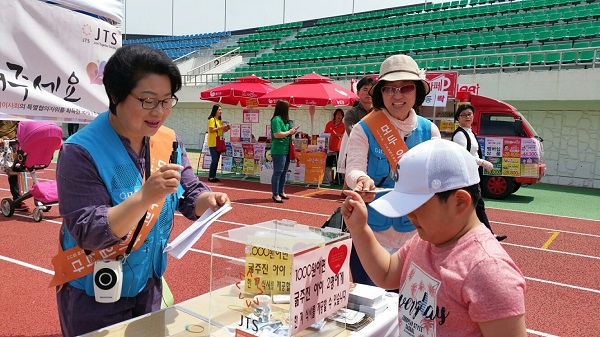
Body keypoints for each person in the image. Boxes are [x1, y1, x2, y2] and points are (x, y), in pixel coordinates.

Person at [52, 44, 230, 337]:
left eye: (166, 100)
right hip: (94, 292)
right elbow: (89, 230)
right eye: (148, 100)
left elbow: (189, 194)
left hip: (148, 283)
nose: (159, 112)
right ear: (115, 95)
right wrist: (144, 197)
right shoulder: (80, 151)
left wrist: (207, 200)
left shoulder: (169, 140)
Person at [341, 139, 527, 336]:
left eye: (416, 206)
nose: (408, 215)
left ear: (460, 202)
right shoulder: (425, 240)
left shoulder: (489, 272)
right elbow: (387, 273)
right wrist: (359, 229)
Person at [344, 54, 441, 286]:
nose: (397, 95)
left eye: (405, 87)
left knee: (411, 311)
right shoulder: (363, 128)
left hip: (415, 237)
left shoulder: (430, 131)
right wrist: (361, 180)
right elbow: (354, 169)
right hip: (370, 236)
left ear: (417, 91)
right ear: (381, 94)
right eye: (389, 89)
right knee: (370, 309)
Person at [452, 104, 507, 242]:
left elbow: (473, 153)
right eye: (464, 115)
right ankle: (487, 235)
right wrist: (483, 162)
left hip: (471, 174)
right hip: (464, 176)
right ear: (458, 117)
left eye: (469, 114)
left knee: (472, 205)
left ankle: (467, 234)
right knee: (476, 205)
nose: (467, 117)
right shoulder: (460, 134)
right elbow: (462, 155)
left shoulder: (470, 132)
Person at [338, 76, 376, 194]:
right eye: (365, 89)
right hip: (359, 155)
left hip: (377, 156)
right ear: (358, 92)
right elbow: (352, 134)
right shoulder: (351, 113)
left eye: (371, 90)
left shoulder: (381, 112)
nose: (368, 93)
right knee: (359, 191)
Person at [269, 100, 299, 203]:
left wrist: (292, 131)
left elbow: (286, 133)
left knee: (284, 172)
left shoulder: (284, 120)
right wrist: (289, 132)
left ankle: (281, 191)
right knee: (278, 172)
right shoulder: (276, 120)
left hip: (286, 149)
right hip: (278, 149)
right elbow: (277, 134)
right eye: (287, 108)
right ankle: (275, 194)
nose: (288, 110)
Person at [0, 120, 28, 211]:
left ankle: (17, 200)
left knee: (13, 171)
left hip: (11, 144)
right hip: (2, 142)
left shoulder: (16, 111)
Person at [207, 104, 229, 182]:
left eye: (221, 110)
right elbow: (211, 130)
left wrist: (226, 128)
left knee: (217, 160)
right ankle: (211, 177)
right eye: (219, 110)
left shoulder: (219, 120)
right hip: (213, 142)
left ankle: (213, 176)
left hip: (218, 142)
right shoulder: (212, 119)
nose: (221, 111)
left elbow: (221, 131)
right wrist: (221, 127)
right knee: (215, 160)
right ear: (215, 110)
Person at [323, 108, 345, 184]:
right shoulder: (329, 124)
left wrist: (340, 135)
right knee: (328, 163)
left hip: (339, 147)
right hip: (329, 147)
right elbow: (325, 134)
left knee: (338, 164)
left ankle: (337, 179)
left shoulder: (343, 125)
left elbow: (346, 135)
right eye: (338, 114)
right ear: (335, 115)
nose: (339, 116)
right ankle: (327, 179)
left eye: (341, 115)